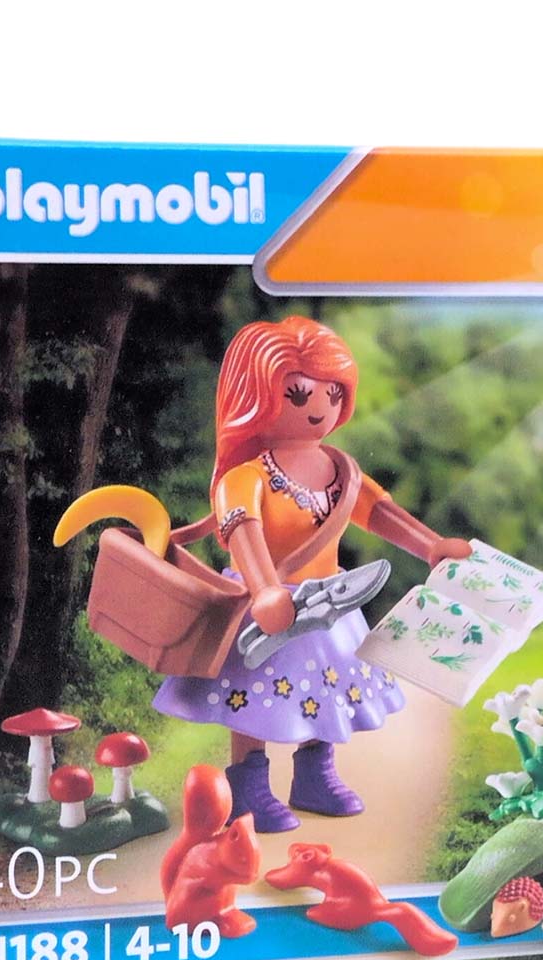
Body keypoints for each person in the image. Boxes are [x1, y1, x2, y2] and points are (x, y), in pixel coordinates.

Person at [154, 317, 472, 832]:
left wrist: (430, 546)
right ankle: (248, 786)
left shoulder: (340, 471)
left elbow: (379, 513)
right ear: (254, 397)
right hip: (266, 604)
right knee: (252, 695)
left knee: (326, 688)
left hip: (327, 602)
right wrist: (265, 591)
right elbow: (243, 532)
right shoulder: (244, 478)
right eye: (298, 394)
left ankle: (314, 774)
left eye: (333, 392)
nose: (320, 407)